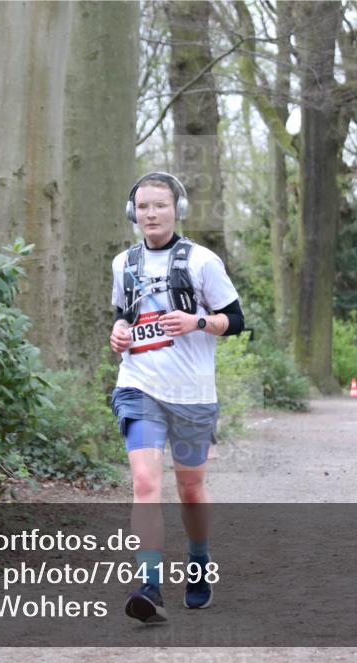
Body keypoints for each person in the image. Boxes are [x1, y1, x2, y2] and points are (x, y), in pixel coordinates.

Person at [108, 172, 245, 624]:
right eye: (143, 206)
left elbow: (235, 319)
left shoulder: (203, 261)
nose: (151, 214)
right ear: (133, 213)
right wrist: (119, 332)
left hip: (191, 394)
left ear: (177, 209)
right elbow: (123, 316)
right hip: (138, 386)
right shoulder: (123, 264)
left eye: (160, 205)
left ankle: (199, 561)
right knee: (146, 484)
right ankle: (148, 585)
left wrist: (197, 322)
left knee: (189, 488)